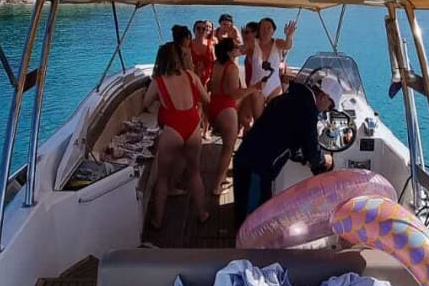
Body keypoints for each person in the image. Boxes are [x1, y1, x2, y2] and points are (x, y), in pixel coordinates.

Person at [233, 71, 341, 230]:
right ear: (324, 96)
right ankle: (245, 251)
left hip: (249, 159)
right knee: (252, 220)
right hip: (256, 168)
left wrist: (301, 155)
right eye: (330, 106)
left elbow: (290, 138)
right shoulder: (307, 110)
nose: (327, 110)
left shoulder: (291, 97)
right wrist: (325, 161)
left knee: (249, 210)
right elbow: (312, 151)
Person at [143, 42, 210, 229]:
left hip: (172, 129)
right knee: (194, 172)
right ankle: (202, 213)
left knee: (162, 178)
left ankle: (157, 220)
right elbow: (206, 99)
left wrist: (160, 105)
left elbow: (146, 103)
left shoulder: (158, 81)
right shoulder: (191, 75)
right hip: (192, 126)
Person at [208, 37, 268, 196]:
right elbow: (234, 93)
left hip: (213, 104)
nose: (238, 48)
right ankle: (216, 186)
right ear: (229, 52)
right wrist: (254, 88)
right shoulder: (232, 68)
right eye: (235, 47)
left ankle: (221, 179)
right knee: (228, 148)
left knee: (226, 147)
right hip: (225, 109)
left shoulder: (216, 64)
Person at [189, 19, 216, 87]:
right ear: (194, 30)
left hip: (207, 79)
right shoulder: (188, 45)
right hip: (192, 78)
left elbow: (215, 63)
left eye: (203, 29)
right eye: (198, 28)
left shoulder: (210, 44)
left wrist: (212, 78)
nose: (201, 30)